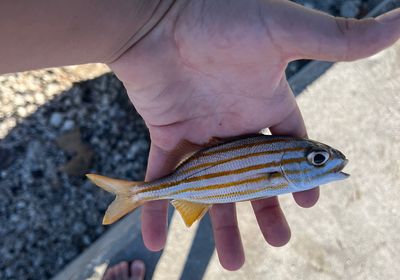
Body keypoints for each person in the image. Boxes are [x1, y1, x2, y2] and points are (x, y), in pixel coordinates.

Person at [1, 0, 399, 278]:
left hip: (200, 178)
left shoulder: (280, 167)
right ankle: (137, 193)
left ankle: (139, 194)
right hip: (200, 178)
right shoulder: (278, 169)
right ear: (291, 165)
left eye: (320, 159)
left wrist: (156, 17)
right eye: (316, 159)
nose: (327, 162)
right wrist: (160, 15)